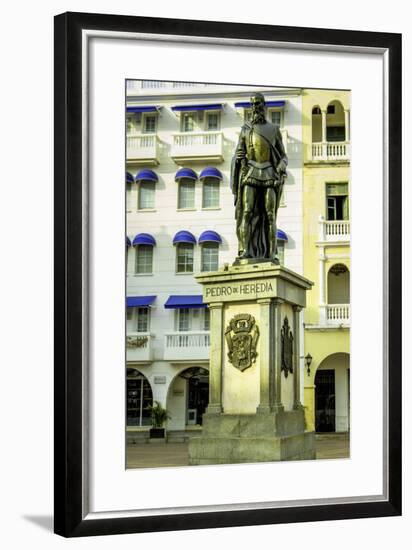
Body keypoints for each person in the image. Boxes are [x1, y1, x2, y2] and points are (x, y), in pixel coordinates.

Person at [231, 92, 288, 261]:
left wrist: (280, 166)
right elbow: (238, 154)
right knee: (247, 212)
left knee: (270, 215)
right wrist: (238, 158)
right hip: (250, 173)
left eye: (259, 104)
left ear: (264, 106)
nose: (256, 107)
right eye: (253, 104)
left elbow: (283, 156)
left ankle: (271, 253)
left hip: (269, 173)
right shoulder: (245, 130)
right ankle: (245, 250)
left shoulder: (274, 129)